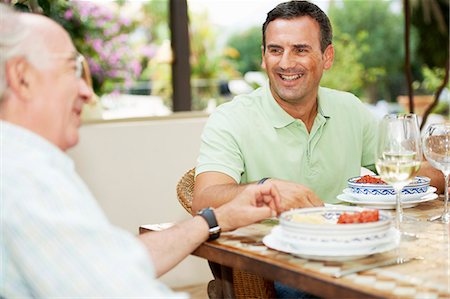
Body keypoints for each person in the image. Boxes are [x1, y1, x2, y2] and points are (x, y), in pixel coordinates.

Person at [0, 5, 282, 298]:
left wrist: (216, 219)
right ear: (22, 77)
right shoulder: (27, 177)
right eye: (72, 69)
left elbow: (111, 260)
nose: (87, 92)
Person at [192, 0, 444, 213]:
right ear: (263, 56)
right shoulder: (230, 119)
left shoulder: (349, 108)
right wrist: (266, 189)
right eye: (275, 50)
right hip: (269, 260)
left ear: (327, 57)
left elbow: (406, 170)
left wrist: (443, 168)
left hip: (352, 248)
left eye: (300, 50)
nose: (285, 63)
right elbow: (204, 200)